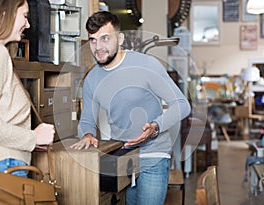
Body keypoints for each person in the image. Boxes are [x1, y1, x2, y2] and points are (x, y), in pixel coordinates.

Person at [70, 11, 191, 205]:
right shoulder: (92, 79)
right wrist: (87, 135)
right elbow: (87, 121)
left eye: (105, 39)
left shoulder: (146, 65)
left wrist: (155, 126)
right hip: (122, 157)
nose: (98, 47)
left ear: (120, 38)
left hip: (153, 154)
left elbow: (182, 105)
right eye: (93, 40)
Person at [0, 0, 55, 191]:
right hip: (5, 168)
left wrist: (28, 139)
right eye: (25, 16)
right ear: (5, 13)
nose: (28, 25)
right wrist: (32, 138)